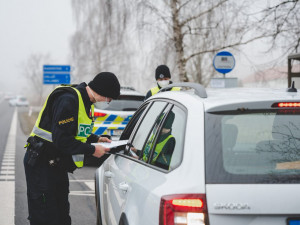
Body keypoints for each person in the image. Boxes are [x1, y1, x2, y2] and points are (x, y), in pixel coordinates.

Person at [23, 72, 120, 225]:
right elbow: (62, 139)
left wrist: (96, 138)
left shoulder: (86, 102)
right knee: (45, 215)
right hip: (41, 163)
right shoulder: (68, 100)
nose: (108, 102)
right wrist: (92, 149)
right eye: (108, 98)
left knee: (62, 214)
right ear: (100, 91)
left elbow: (75, 130)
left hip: (57, 164)